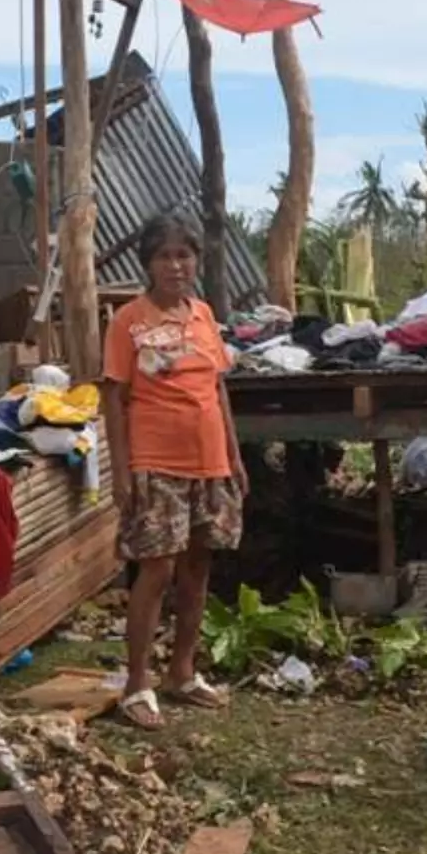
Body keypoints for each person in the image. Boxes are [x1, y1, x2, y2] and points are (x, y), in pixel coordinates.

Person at [102, 212, 249, 730]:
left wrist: (233, 456)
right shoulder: (128, 321)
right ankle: (137, 683)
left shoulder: (204, 316)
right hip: (155, 461)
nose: (175, 265)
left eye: (183, 255)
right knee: (157, 568)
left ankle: (182, 672)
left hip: (208, 462)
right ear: (148, 264)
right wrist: (121, 471)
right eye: (164, 256)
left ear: (196, 262)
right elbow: (114, 397)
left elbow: (218, 389)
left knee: (197, 567)